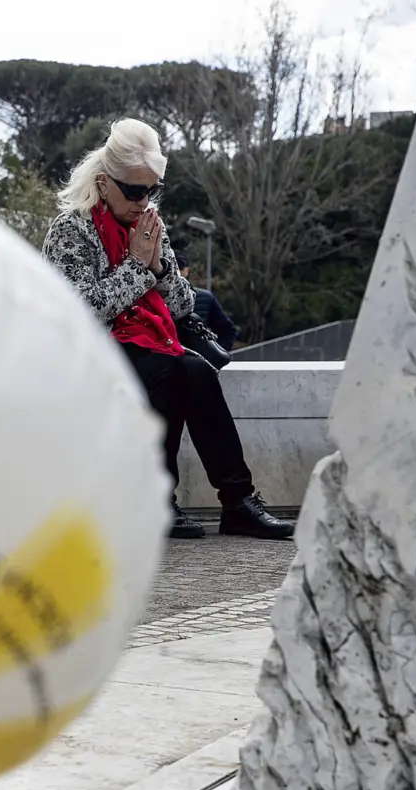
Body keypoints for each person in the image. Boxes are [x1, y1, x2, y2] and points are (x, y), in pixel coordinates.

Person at [42, 119, 293, 541]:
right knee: (168, 370)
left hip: (147, 345)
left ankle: (238, 501)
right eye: (133, 191)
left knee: (196, 372)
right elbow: (80, 311)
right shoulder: (71, 229)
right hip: (87, 352)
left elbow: (182, 306)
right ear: (104, 183)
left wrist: (158, 266)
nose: (143, 201)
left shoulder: (149, 225)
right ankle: (155, 501)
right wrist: (138, 267)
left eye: (151, 190)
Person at [176, 252, 238, 351]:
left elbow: (228, 331)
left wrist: (215, 354)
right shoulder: (154, 298)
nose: (174, 273)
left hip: (197, 357)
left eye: (178, 268)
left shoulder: (204, 298)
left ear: (186, 270)